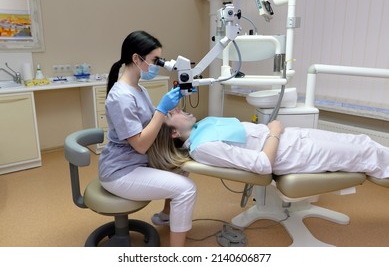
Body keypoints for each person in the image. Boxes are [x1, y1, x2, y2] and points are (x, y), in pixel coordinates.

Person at [98, 31, 197, 247]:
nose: (157, 65)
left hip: (135, 161)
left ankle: (166, 215)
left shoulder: (137, 88)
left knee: (180, 164)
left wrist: (172, 103)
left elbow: (150, 120)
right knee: (186, 188)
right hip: (120, 171)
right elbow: (141, 145)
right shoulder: (120, 97)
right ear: (136, 59)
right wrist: (162, 109)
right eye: (155, 60)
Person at [147, 108, 389, 179]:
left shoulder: (202, 128)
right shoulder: (203, 148)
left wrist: (276, 132)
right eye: (172, 114)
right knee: (367, 153)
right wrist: (273, 131)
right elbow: (262, 165)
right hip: (293, 154)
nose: (177, 109)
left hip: (293, 140)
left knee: (362, 141)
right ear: (174, 133)